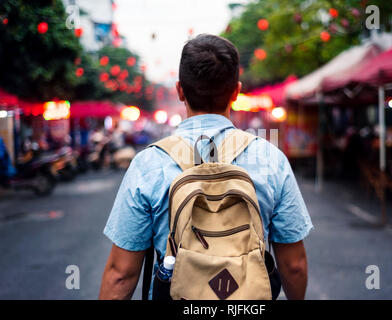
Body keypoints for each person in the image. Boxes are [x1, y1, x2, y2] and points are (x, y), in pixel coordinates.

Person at [99, 34, 313, 300]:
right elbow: (294, 265)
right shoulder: (271, 159)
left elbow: (121, 274)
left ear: (180, 90)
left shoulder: (149, 163)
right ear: (236, 91)